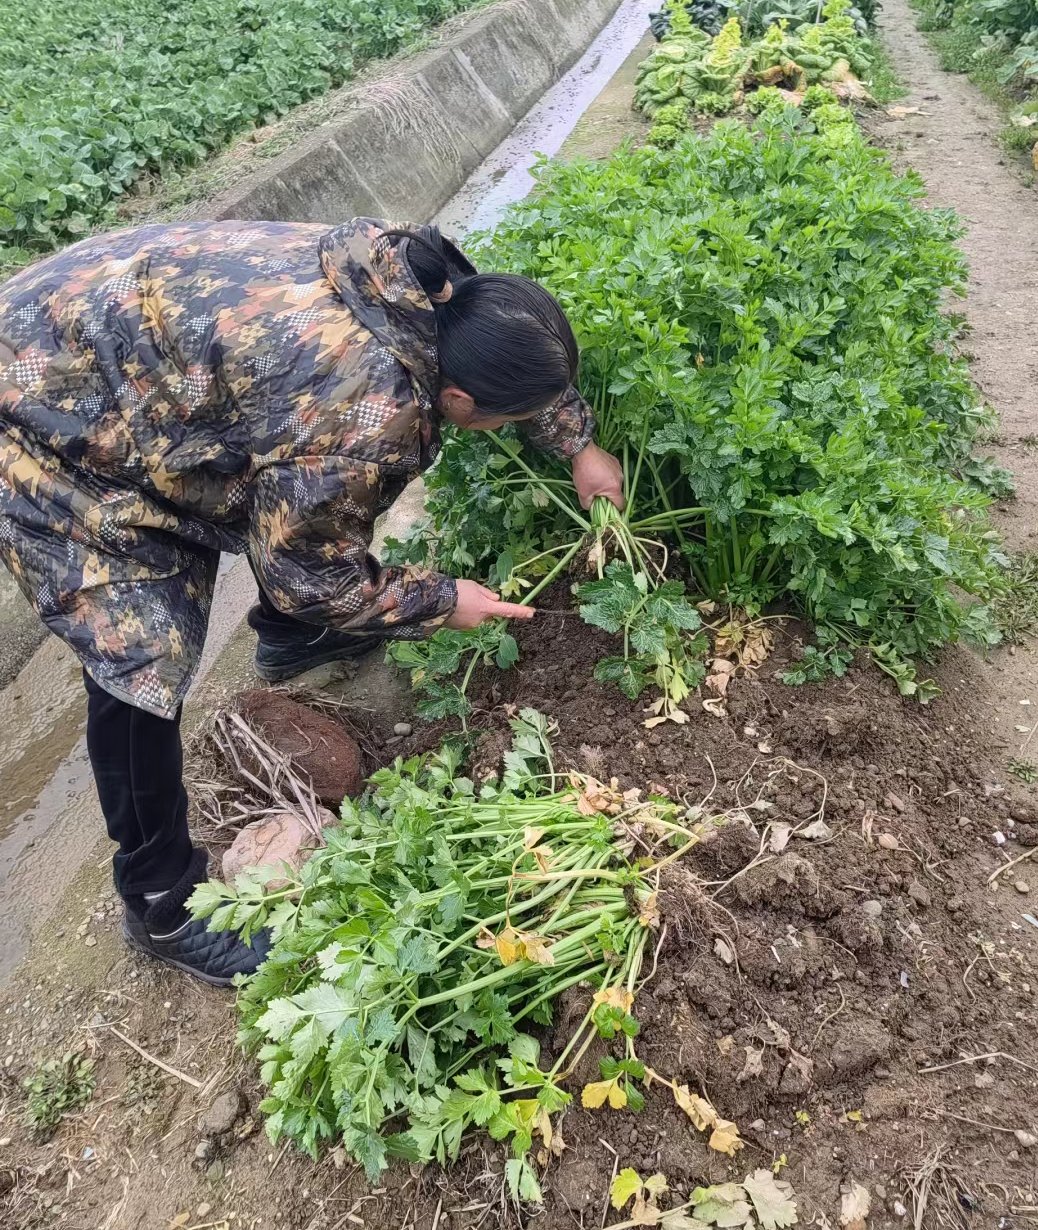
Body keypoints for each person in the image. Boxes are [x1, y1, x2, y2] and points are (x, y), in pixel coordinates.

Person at [0, 218, 624, 985]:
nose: (507, 426)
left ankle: (292, 641)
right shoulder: (360, 412)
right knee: (140, 650)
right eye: (507, 420)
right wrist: (437, 600)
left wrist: (579, 444)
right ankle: (159, 898)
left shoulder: (426, 283)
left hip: (97, 321)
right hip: (39, 407)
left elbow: (303, 500)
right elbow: (311, 573)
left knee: (290, 496)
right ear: (458, 400)